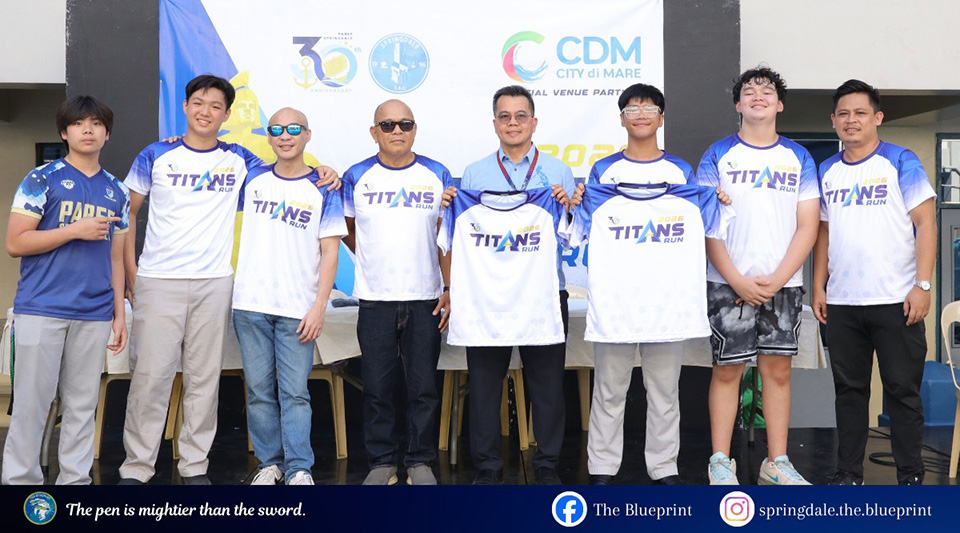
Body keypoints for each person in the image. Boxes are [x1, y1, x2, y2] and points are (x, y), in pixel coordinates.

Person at [119, 74, 337, 485]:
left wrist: (324, 170)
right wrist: (131, 272)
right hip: (159, 280)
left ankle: (194, 465)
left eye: (215, 106)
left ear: (227, 114)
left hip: (215, 282)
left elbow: (287, 172)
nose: (206, 111)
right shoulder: (156, 154)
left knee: (204, 381)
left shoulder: (240, 161)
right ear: (185, 107)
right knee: (150, 379)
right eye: (198, 103)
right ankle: (137, 467)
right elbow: (126, 213)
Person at [569, 83, 708, 486]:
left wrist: (716, 199)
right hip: (617, 301)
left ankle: (664, 467)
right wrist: (578, 203)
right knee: (608, 389)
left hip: (667, 301)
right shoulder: (603, 172)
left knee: (664, 391)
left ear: (661, 118)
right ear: (622, 119)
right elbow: (581, 225)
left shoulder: (680, 172)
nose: (641, 115)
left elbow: (701, 221)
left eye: (649, 109)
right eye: (632, 109)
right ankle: (601, 467)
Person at [444, 85, 573, 485]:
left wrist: (568, 206)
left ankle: (547, 465)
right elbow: (456, 236)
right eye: (505, 116)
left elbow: (572, 235)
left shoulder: (558, 172)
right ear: (494, 123)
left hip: (544, 293)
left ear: (534, 122)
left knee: (547, 387)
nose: (512, 123)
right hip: (486, 297)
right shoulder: (474, 174)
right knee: (484, 387)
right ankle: (486, 466)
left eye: (520, 116)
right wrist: (449, 207)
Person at [697, 67, 819, 485]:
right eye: (749, 91)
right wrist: (737, 279)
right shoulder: (717, 155)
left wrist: (778, 279)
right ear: (738, 104)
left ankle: (777, 462)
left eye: (767, 91)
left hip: (783, 286)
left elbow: (808, 226)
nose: (758, 96)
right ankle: (720, 461)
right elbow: (708, 225)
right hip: (726, 283)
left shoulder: (798, 158)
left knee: (778, 373)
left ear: (779, 105)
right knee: (727, 371)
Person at [813, 80, 935, 486]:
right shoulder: (827, 170)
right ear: (833, 120)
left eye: (860, 113)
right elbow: (823, 233)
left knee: (902, 392)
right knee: (849, 393)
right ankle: (848, 474)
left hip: (897, 301)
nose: (852, 120)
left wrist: (923, 285)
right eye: (844, 114)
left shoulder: (900, 161)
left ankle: (910, 477)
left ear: (877, 118)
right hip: (844, 303)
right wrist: (819, 286)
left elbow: (926, 223)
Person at [2, 96, 128, 485]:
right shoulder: (41, 179)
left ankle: (75, 484)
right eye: (78, 123)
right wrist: (74, 230)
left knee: (82, 406)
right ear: (64, 132)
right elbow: (15, 243)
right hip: (41, 308)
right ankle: (20, 484)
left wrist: (119, 314)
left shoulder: (117, 190)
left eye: (96, 124)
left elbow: (116, 259)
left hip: (94, 313)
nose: (88, 130)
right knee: (31, 406)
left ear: (107, 134)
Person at [341, 100, 452, 485]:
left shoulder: (437, 173)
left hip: (425, 297)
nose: (397, 131)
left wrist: (449, 286)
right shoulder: (356, 176)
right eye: (387, 125)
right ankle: (382, 462)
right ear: (374, 132)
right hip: (375, 299)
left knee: (424, 388)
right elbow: (347, 229)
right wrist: (374, 257)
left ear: (415, 129)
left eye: (405, 123)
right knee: (377, 388)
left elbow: (445, 236)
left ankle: (420, 460)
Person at [234, 108, 346, 486]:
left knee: (295, 394)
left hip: (298, 309)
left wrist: (318, 308)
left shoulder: (324, 186)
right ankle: (270, 463)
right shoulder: (252, 177)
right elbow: (209, 153)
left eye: (294, 128)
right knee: (258, 392)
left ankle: (299, 467)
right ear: (268, 137)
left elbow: (330, 252)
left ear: (307, 135)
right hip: (250, 304)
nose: (285, 135)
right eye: (277, 129)